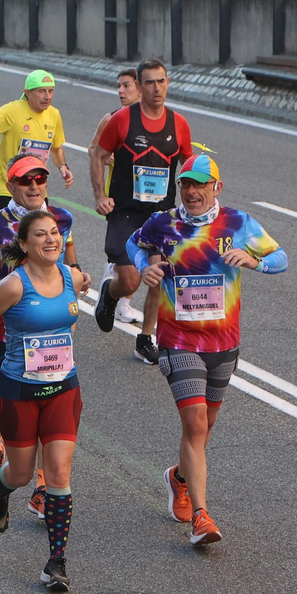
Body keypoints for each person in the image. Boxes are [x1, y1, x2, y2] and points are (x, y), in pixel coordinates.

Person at [130, 155, 287, 546]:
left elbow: (280, 258)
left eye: (200, 184)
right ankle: (201, 516)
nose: (192, 191)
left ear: (217, 187)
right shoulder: (164, 223)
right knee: (196, 424)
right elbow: (135, 243)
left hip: (223, 341)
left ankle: (179, 477)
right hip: (178, 338)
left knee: (206, 426)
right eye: (186, 184)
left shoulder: (237, 222)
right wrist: (143, 269)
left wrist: (254, 262)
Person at [0, 156, 88, 506]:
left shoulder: (61, 219)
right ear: (11, 185)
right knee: (2, 396)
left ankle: (44, 487)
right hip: (7, 331)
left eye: (39, 179)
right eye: (25, 180)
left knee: (52, 404)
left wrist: (76, 279)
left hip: (51, 333)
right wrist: (14, 289)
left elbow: (70, 260)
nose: (33, 186)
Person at [0, 208, 83, 592]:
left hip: (63, 389)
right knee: (21, 472)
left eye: (55, 233)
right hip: (18, 391)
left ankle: (56, 561)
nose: (51, 240)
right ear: (24, 244)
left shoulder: (72, 277)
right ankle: (2, 492)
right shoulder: (15, 285)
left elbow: (81, 300)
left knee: (58, 473)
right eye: (41, 235)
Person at [90, 58, 193, 366]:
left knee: (158, 276)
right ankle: (110, 292)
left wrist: (197, 202)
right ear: (139, 85)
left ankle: (146, 338)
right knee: (131, 281)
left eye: (161, 81)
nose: (156, 88)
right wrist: (100, 195)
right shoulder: (122, 120)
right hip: (125, 211)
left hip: (160, 214)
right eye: (149, 82)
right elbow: (98, 154)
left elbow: (189, 169)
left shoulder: (179, 124)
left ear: (168, 82)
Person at [86, 68, 145, 325]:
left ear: (140, 88)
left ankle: (119, 294)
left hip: (147, 198)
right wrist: (108, 157)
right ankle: (117, 296)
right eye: (119, 86)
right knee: (128, 253)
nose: (121, 91)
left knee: (143, 253)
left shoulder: (154, 122)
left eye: (126, 86)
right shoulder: (111, 118)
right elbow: (93, 150)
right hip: (119, 199)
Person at [0, 69, 74, 211]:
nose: (47, 96)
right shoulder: (12, 111)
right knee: (17, 233)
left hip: (37, 189)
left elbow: (56, 148)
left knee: (38, 231)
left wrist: (63, 167)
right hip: (10, 191)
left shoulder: (54, 114)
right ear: (28, 93)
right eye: (41, 91)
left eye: (50, 91)